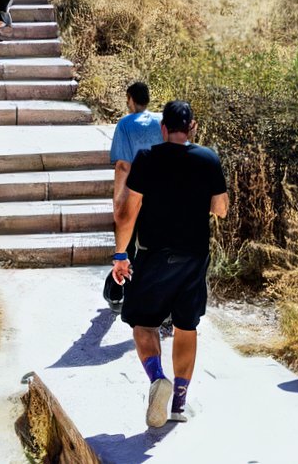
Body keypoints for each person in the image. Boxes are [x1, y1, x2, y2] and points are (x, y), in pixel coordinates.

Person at [111, 99, 227, 430]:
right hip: (193, 256)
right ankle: (178, 403)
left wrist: (121, 255)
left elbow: (126, 211)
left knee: (143, 324)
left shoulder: (147, 159)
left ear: (163, 129)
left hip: (153, 256)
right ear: (193, 128)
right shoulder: (208, 159)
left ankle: (156, 377)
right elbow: (221, 209)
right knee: (186, 327)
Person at [102, 82, 164, 312]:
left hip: (132, 193)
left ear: (130, 99)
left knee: (127, 245)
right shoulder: (161, 122)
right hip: (159, 194)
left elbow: (122, 166)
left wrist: (118, 198)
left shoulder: (126, 124)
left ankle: (120, 292)